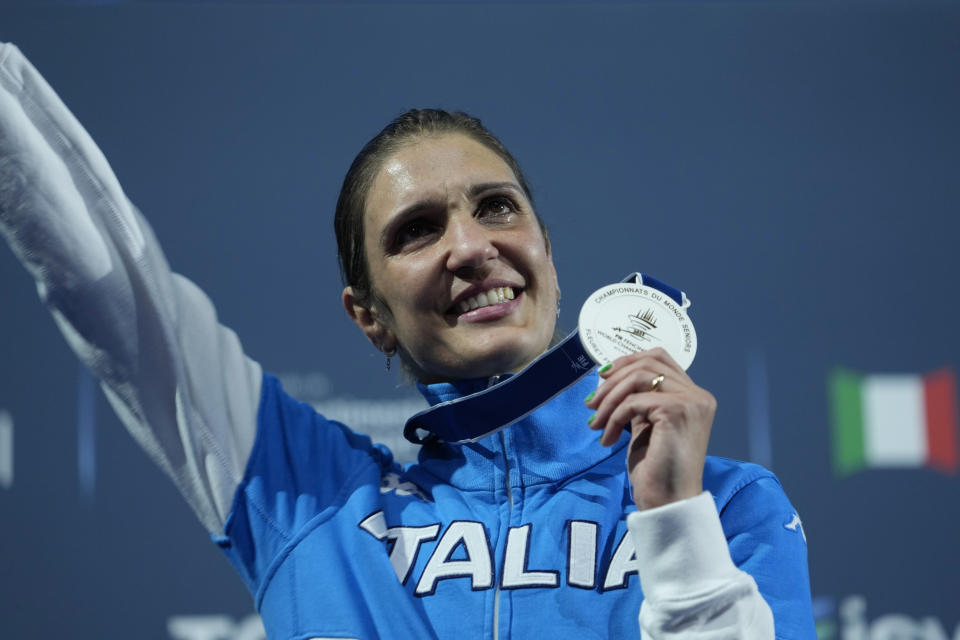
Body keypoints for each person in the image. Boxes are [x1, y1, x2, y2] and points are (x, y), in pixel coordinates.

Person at [0, 42, 815, 639]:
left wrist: (674, 519)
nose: (469, 247)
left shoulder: (731, 507)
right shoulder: (305, 499)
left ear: (548, 257)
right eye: (417, 231)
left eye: (496, 207)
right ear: (369, 315)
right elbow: (114, 294)